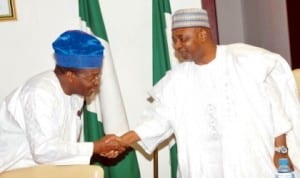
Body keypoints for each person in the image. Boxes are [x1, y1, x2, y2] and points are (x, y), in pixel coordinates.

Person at [115, 8, 300, 178]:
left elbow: (277, 113)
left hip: (251, 163)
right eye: (174, 40)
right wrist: (122, 141)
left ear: (202, 34)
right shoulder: (177, 79)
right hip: (202, 166)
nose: (177, 46)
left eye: (182, 38)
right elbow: (156, 122)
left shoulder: (245, 61)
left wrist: (281, 153)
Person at [0, 30, 125, 173]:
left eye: (98, 75)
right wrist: (94, 147)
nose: (97, 82)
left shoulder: (76, 94)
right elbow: (43, 151)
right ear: (70, 76)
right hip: (12, 169)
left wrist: (99, 149)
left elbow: (61, 146)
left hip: (44, 169)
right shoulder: (39, 92)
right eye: (92, 77)